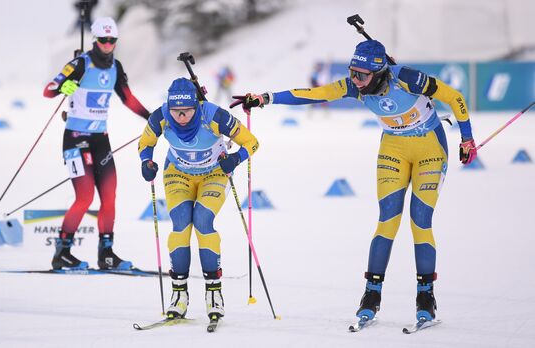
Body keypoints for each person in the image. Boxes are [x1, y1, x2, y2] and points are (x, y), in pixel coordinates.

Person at [231, 40, 477, 323]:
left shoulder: (407, 78)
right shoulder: (354, 87)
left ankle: (426, 296)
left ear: (380, 71)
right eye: (352, 73)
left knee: (420, 221)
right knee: (387, 221)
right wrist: (265, 98)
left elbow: (455, 96)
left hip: (430, 149)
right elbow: (313, 94)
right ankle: (371, 295)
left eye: (362, 75)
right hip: (394, 149)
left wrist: (467, 138)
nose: (355, 81)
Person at [138, 78, 259, 321]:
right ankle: (179, 295)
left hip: (213, 173)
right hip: (178, 173)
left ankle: (214, 294)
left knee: (203, 221)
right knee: (181, 224)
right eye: (176, 112)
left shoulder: (214, 115)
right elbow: (146, 142)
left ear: (197, 106)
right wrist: (146, 161)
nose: (181, 117)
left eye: (187, 111)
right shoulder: (160, 116)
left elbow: (252, 142)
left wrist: (235, 159)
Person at [43, 17, 150, 270]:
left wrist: (151, 116)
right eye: (103, 40)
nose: (107, 44)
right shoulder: (81, 63)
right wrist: (63, 87)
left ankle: (107, 253)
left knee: (110, 195)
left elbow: (128, 98)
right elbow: (48, 89)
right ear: (95, 40)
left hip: (101, 140)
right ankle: (62, 253)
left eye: (112, 40)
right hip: (76, 139)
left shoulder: (115, 67)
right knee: (85, 197)